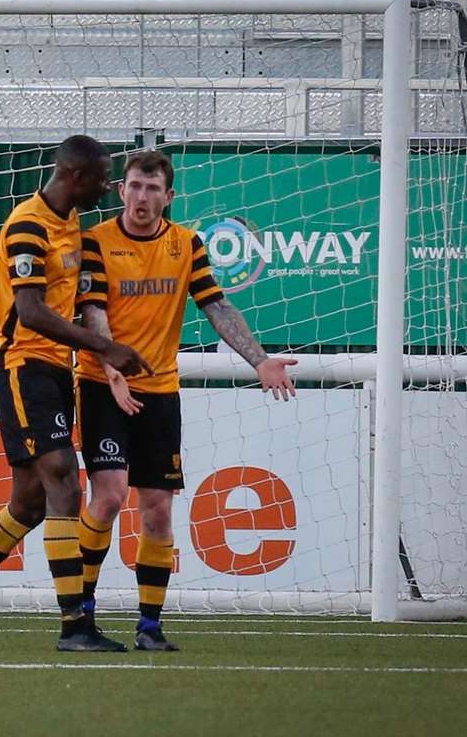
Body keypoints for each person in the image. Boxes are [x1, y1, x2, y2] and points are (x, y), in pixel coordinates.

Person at [0, 135, 150, 652]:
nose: (108, 187)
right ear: (75, 177)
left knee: (27, 502)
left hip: (53, 372)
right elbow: (31, 311)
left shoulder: (73, 226)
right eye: (103, 177)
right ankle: (75, 625)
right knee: (65, 481)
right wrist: (106, 350)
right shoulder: (28, 222)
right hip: (21, 366)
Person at [75, 150, 297, 651]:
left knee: (156, 511)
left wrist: (259, 360)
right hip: (102, 386)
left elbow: (215, 305)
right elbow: (93, 313)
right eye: (134, 186)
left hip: (158, 391)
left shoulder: (186, 245)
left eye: (153, 189)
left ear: (168, 198)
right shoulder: (96, 243)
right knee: (108, 496)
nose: (142, 197)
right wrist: (112, 370)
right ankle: (81, 616)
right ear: (120, 190)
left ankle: (149, 627)